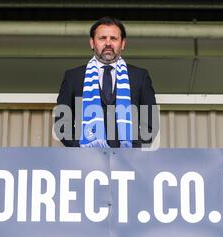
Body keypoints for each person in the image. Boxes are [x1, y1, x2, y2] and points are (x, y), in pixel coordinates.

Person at [54, 16, 158, 148]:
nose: (108, 43)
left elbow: (150, 122)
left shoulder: (140, 76)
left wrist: (133, 150)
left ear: (123, 43)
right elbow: (62, 124)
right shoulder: (73, 77)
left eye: (113, 38)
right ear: (92, 43)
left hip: (129, 161)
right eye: (102, 38)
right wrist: (80, 148)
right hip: (85, 161)